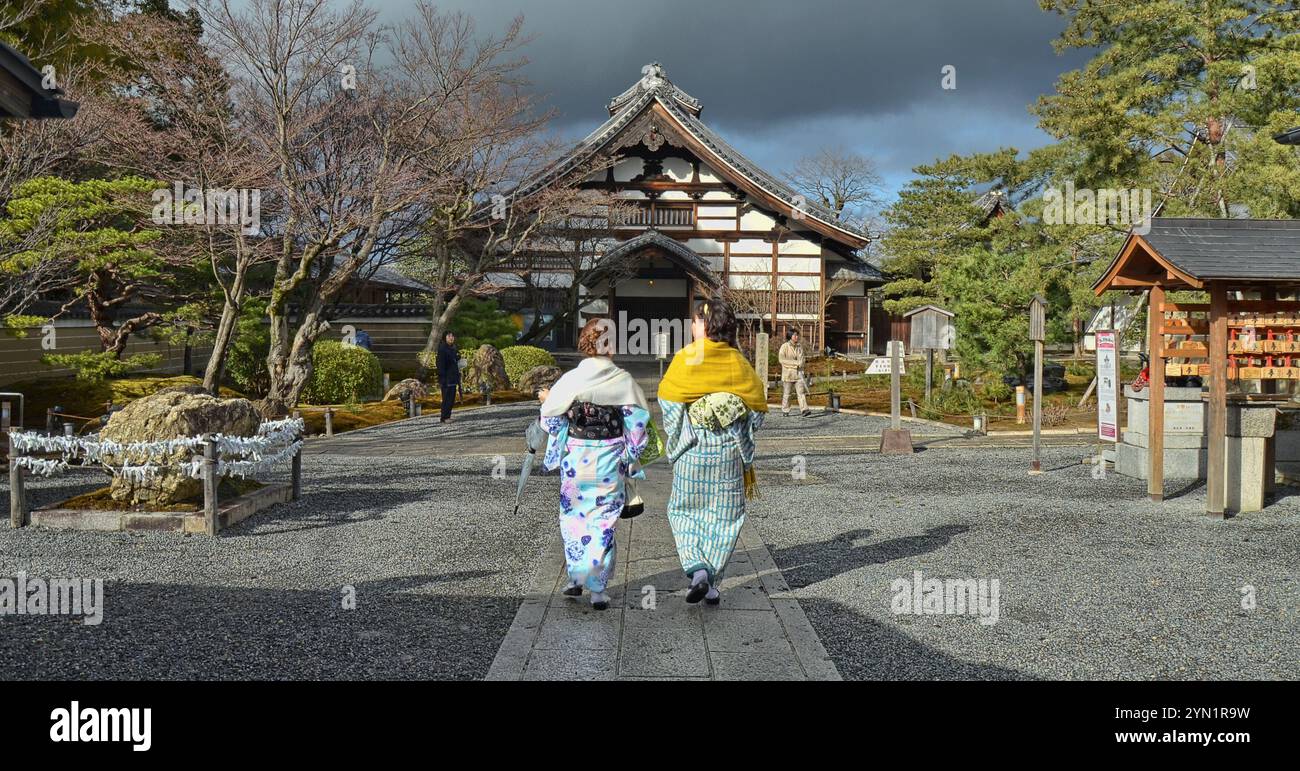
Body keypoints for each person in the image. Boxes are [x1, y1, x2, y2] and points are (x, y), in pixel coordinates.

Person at [657, 299, 767, 605]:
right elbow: (756, 412)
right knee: (725, 516)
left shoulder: (685, 358)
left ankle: (698, 570)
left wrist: (685, 428)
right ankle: (711, 575)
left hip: (692, 449)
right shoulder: (738, 363)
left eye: (694, 322)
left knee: (684, 511)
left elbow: (668, 401)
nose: (691, 327)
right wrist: (732, 414)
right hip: (728, 452)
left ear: (704, 326)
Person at [537, 318, 650, 610]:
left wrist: (550, 400)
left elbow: (550, 419)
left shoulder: (572, 379)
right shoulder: (622, 380)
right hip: (609, 459)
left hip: (576, 456)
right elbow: (637, 426)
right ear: (610, 346)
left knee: (574, 518)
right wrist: (631, 454)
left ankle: (576, 578)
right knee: (603, 521)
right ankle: (598, 589)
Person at [779, 329, 810, 417]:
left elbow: (802, 360)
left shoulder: (799, 347)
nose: (797, 337)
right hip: (788, 374)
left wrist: (800, 364)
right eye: (795, 335)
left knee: (801, 393)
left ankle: (804, 409)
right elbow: (782, 360)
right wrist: (796, 364)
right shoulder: (784, 346)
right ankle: (785, 410)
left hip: (799, 374)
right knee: (787, 394)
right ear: (790, 336)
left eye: (797, 335)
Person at [435, 331, 460, 423]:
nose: (451, 338)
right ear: (445, 338)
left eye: (452, 336)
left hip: (453, 377)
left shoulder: (453, 348)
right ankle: (444, 417)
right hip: (446, 378)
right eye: (449, 336)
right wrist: (443, 378)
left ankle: (448, 416)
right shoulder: (442, 349)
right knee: (446, 398)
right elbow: (440, 364)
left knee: (451, 398)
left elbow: (456, 358)